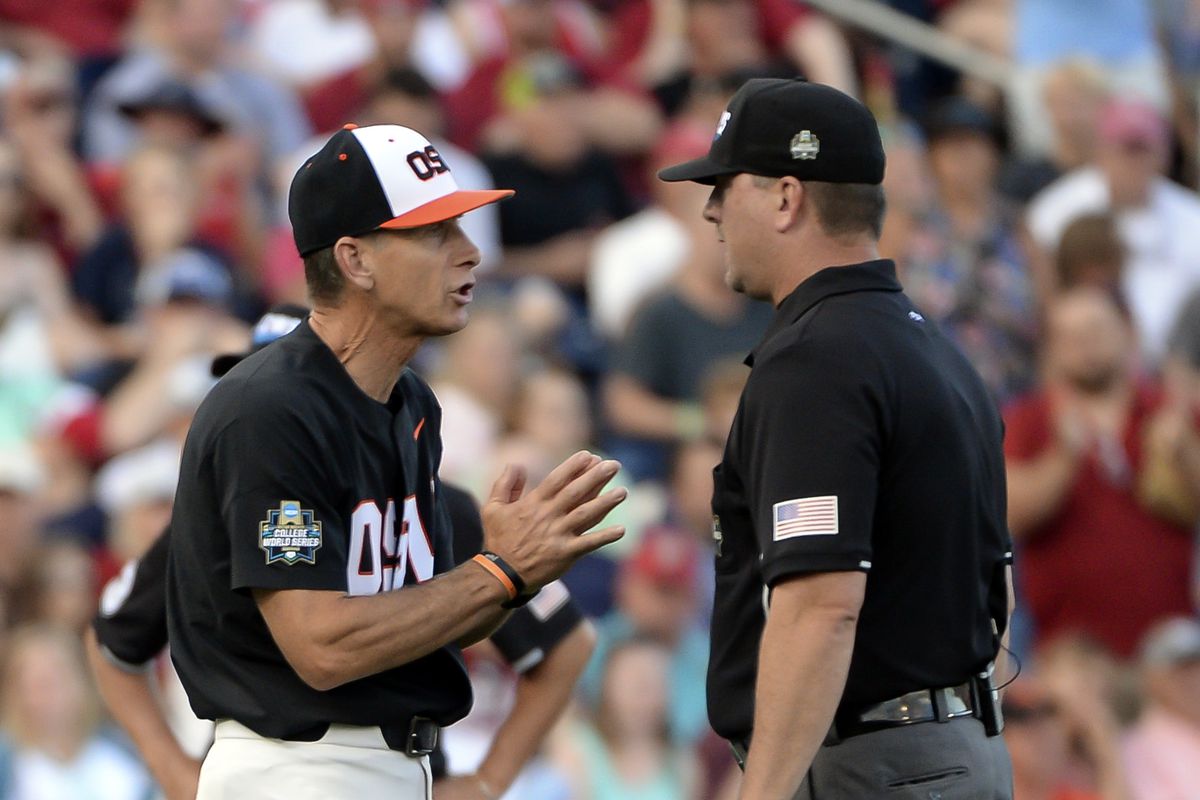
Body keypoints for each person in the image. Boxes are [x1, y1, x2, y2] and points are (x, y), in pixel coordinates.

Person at [163, 122, 628, 799]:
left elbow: (417, 618)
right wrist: (500, 572)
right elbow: (322, 648)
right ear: (355, 260)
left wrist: (511, 581)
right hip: (296, 771)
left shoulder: (410, 400)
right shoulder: (270, 408)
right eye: (436, 232)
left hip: (393, 768)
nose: (470, 254)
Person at [658, 78, 1014, 798]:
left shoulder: (817, 359)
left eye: (726, 186)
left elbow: (822, 605)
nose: (711, 209)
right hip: (947, 747)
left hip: (876, 762)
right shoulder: (932, 349)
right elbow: (995, 586)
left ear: (787, 198)